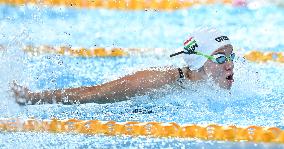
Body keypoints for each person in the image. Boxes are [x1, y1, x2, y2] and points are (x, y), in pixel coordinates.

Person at [11, 28, 235, 105]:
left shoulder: (232, 87)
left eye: (231, 56)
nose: (230, 65)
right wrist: (30, 97)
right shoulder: (156, 81)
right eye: (220, 58)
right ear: (198, 61)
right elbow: (93, 93)